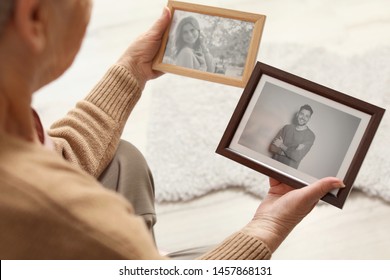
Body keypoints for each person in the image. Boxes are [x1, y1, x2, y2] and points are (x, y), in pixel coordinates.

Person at [0, 0, 344, 259]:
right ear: (33, 18)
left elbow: (56, 157)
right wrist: (267, 228)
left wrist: (131, 71)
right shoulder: (83, 224)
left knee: (123, 159)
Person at [270, 104, 316, 169]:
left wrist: (281, 145)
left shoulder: (310, 136)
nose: (303, 117)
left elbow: (296, 157)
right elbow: (272, 147)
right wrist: (292, 152)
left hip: (288, 171)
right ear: (297, 114)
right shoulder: (286, 128)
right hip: (273, 165)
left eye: (307, 116)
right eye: (302, 114)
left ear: (309, 119)